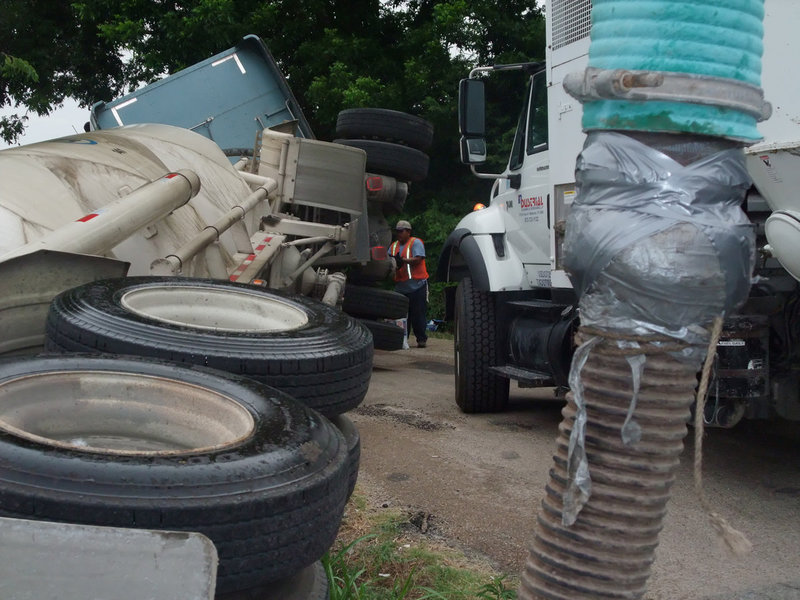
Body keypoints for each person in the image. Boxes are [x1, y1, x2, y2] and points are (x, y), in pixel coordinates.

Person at [389, 220, 429, 348]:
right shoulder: (394, 246)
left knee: (418, 314)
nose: (399, 234)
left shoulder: (415, 242)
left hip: (417, 285)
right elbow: (388, 259)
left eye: (401, 231)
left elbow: (418, 259)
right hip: (401, 287)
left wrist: (403, 260)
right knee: (401, 316)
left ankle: (421, 339)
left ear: (408, 232)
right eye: (397, 231)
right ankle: (402, 339)